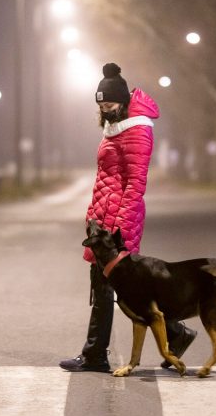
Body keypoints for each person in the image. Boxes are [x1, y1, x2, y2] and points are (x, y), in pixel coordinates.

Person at [59, 62, 196, 373]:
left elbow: (135, 183)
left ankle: (96, 354)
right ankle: (175, 332)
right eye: (101, 106)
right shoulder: (115, 126)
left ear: (121, 101)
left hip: (121, 221)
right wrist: (95, 215)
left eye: (109, 104)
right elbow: (107, 177)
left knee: (111, 285)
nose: (105, 110)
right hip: (104, 217)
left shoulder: (136, 130)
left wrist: (118, 228)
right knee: (116, 286)